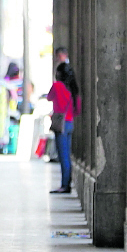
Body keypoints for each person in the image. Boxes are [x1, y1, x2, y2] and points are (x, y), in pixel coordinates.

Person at [48, 62, 80, 193]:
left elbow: (49, 97)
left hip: (60, 124)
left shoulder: (57, 86)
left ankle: (65, 185)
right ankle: (66, 183)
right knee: (67, 154)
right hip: (69, 123)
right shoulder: (73, 89)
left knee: (63, 156)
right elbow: (77, 110)